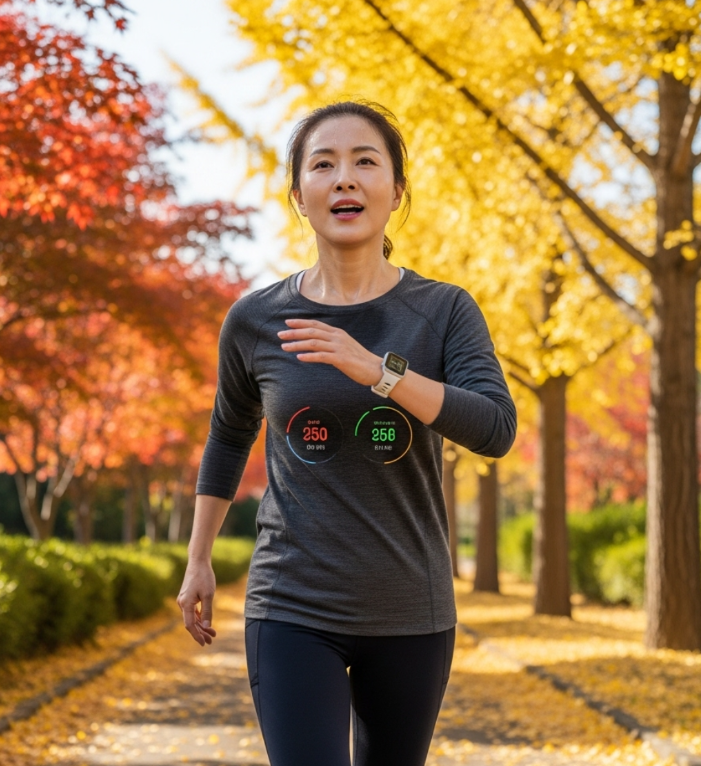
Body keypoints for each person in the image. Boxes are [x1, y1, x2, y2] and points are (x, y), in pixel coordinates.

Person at [177, 100, 516, 766]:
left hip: (411, 608)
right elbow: (227, 437)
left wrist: (378, 372)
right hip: (291, 603)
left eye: (366, 162)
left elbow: (495, 428)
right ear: (299, 195)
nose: (345, 179)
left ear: (397, 191)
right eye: (323, 164)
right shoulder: (255, 320)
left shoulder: (443, 311)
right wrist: (198, 557)